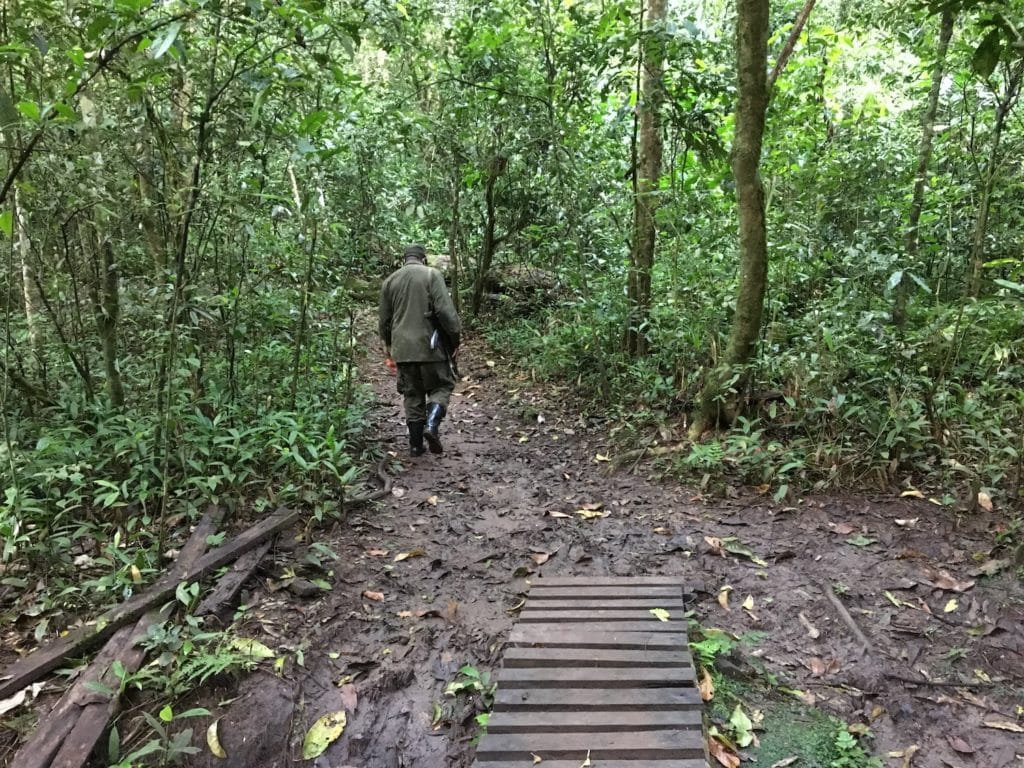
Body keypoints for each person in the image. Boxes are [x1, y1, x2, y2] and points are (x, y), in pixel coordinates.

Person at [378, 243, 461, 456]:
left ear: (404, 259)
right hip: (431, 347)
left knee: (412, 394)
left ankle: (415, 446)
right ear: (423, 259)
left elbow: (384, 321)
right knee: (442, 385)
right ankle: (432, 426)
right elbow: (446, 313)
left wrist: (389, 348)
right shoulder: (432, 275)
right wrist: (455, 339)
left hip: (403, 349)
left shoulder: (390, 281)